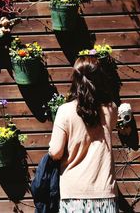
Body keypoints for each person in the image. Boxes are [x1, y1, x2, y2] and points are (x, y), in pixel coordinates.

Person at [48, 56, 119, 212]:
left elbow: (55, 151)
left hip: (73, 194)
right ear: (100, 78)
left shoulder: (65, 111)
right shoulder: (111, 109)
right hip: (104, 192)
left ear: (75, 78)